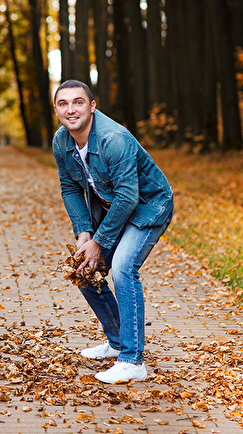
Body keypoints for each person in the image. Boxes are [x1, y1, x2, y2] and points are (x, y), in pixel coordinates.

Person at [52, 79, 174, 384]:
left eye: (78, 102)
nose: (71, 110)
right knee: (83, 269)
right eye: (63, 104)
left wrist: (100, 241)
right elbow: (69, 187)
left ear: (92, 106)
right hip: (114, 208)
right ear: (56, 109)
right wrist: (84, 234)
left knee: (122, 269)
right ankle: (119, 341)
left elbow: (128, 197)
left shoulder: (113, 139)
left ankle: (133, 361)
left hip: (148, 207)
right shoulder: (61, 141)